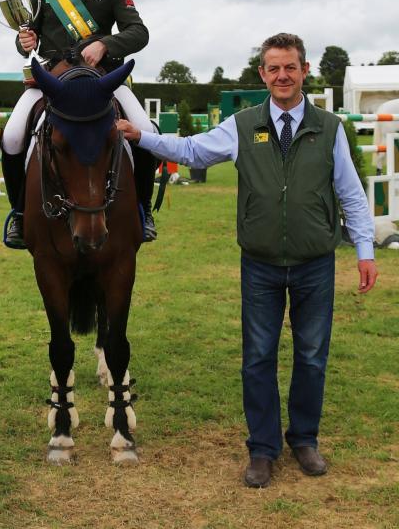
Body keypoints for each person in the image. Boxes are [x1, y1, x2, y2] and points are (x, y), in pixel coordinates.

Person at [119, 33, 379, 488]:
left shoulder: (330, 128)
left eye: (290, 67)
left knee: (312, 357)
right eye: (273, 68)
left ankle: (304, 440)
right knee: (257, 357)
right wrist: (141, 137)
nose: (282, 75)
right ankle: (262, 449)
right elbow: (193, 151)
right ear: (262, 74)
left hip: (314, 262)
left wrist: (364, 250)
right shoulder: (242, 125)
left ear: (304, 71)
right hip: (259, 263)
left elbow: (351, 194)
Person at [1, 0, 160, 247]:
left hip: (101, 81)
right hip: (54, 80)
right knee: (13, 137)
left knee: (146, 131)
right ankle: (19, 215)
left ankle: (143, 212)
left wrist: (105, 44)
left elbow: (139, 32)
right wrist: (24, 42)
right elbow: (26, 36)